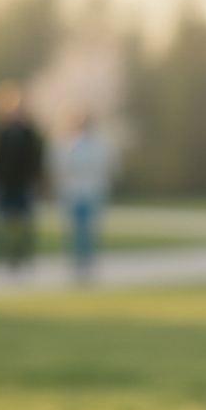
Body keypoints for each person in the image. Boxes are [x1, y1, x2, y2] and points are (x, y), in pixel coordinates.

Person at [0, 80, 44, 272]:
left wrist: (37, 181)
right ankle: (1, 256)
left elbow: (36, 159)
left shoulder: (29, 133)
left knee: (25, 223)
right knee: (0, 222)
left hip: (23, 184)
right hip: (3, 183)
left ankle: (22, 256)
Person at [51, 106, 115, 281]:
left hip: (91, 191)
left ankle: (88, 265)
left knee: (88, 230)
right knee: (75, 230)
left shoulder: (98, 143)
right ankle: (77, 265)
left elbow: (105, 166)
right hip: (72, 192)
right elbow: (58, 167)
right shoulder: (65, 143)